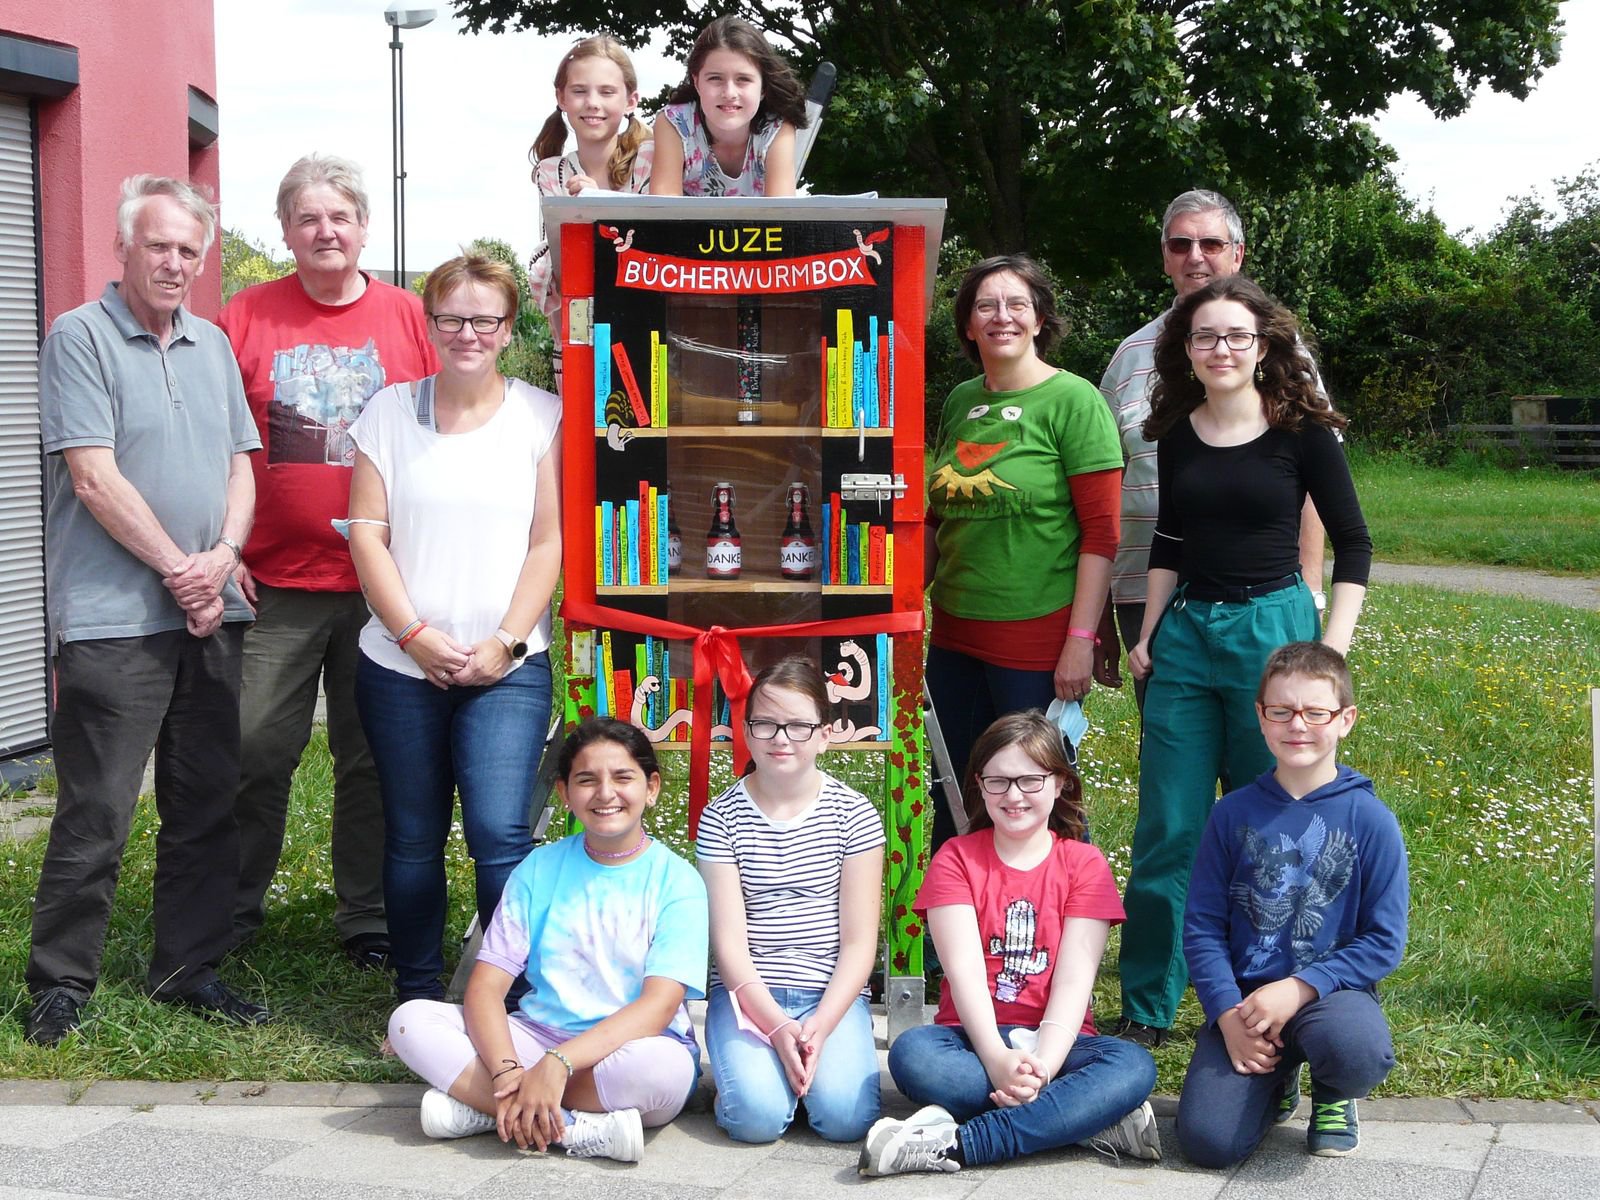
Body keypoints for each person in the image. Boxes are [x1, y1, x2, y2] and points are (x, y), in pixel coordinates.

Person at [25, 175, 267, 1046]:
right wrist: (182, 571)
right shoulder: (79, 336)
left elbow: (242, 465)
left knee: (205, 802)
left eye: (189, 251)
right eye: (158, 245)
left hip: (210, 614)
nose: (174, 262)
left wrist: (224, 557)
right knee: (97, 810)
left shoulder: (212, 344)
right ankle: (59, 984)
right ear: (123, 247)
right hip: (113, 620)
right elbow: (93, 476)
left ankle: (187, 968)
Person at [1113, 274, 1373, 1047]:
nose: (1220, 349)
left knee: (1275, 822)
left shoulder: (1302, 433)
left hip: (1275, 632)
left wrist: (1329, 655)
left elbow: (1355, 544)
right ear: (1186, 349)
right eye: (1205, 336)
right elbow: (1169, 540)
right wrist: (1148, 633)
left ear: (1263, 347)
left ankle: (1270, 995)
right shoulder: (1177, 432)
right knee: (1170, 824)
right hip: (1188, 635)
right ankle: (1148, 1005)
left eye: (1236, 336)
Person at [220, 153, 438, 969]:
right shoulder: (244, 317)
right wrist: (224, 543)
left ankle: (367, 918)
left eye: (339, 216)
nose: (325, 231)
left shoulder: (410, 317)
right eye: (307, 218)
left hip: (384, 585)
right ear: (285, 230)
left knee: (372, 758)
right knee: (253, 750)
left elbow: (439, 433)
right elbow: (213, 440)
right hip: (273, 582)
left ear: (364, 227)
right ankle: (230, 910)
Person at [347, 254, 562, 1004]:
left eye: (485, 320)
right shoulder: (387, 413)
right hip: (400, 664)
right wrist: (413, 634)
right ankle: (416, 993)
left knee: (500, 835)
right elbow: (367, 533)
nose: (468, 333)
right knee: (413, 835)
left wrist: (506, 641)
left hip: (509, 667)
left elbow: (548, 542)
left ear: (509, 327)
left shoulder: (541, 415)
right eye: (452, 318)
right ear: (430, 322)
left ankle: (512, 1001)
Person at [387, 718, 707, 1161]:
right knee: (411, 1020)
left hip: (628, 1049)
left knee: (662, 1071)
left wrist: (559, 1063)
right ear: (564, 793)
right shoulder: (538, 869)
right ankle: (570, 1129)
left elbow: (658, 1008)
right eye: (587, 780)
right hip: (536, 1039)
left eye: (623, 777)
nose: (606, 793)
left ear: (651, 788)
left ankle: (490, 1110)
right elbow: (486, 988)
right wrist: (506, 1071)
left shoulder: (679, 881)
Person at [859, 711, 1159, 1177]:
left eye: (1030, 780)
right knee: (913, 1054)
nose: (1014, 795)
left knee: (1133, 1065)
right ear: (979, 785)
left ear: (1059, 783)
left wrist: (1044, 1066)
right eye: (997, 782)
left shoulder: (1084, 863)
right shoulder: (956, 858)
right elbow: (964, 975)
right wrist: (998, 1061)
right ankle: (1086, 1118)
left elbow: (1074, 983)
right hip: (971, 1038)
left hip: (1061, 1041)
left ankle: (960, 1143)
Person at [1096, 189, 1329, 709]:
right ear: (1165, 256)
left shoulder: (1279, 351)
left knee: (1267, 740)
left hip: (1261, 595)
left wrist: (1310, 592)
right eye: (1180, 244)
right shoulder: (1128, 357)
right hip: (1146, 593)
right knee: (1170, 738)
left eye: (1211, 243)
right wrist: (1097, 618)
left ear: (1237, 254)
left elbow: (1316, 484)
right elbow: (1103, 485)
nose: (1195, 256)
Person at [1178, 642, 1407, 1165]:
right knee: (1209, 1142)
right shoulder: (1231, 814)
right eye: (1281, 711)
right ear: (1261, 717)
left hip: (1332, 996)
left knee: (1355, 1052)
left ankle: (1334, 1090)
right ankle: (1277, 1078)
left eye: (1315, 712)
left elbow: (1383, 941)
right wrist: (1226, 1015)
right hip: (1248, 1006)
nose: (1297, 725)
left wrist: (1300, 987)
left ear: (1345, 720)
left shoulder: (1371, 819)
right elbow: (1203, 927)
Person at [924, 254, 1123, 850]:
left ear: (1039, 319)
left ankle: (1065, 905)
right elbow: (938, 518)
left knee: (1037, 793)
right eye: (985, 305)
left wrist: (1080, 641)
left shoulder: (1075, 401)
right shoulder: (960, 402)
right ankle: (954, 906)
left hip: (1036, 638)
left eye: (1017, 304)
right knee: (953, 789)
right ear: (967, 325)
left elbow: (1102, 534)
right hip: (953, 635)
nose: (1001, 316)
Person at [696, 658, 885, 1144]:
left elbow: (859, 943)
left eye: (799, 726)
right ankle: (755, 1085)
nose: (781, 739)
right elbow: (729, 947)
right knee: (754, 1120)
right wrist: (778, 1026)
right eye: (765, 724)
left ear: (824, 735)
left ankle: (801, 1077)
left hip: (830, 994)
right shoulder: (721, 818)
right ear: (746, 731)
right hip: (749, 996)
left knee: (846, 1119)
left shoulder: (854, 814)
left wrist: (820, 1024)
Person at [527, 35, 655, 393]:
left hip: (643, 334)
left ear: (631, 101)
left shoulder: (649, 159)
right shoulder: (551, 172)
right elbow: (560, 263)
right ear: (562, 98)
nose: (593, 103)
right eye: (580, 91)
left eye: (607, 92)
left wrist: (596, 201)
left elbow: (652, 243)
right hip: (577, 341)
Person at [649, 15, 807, 197]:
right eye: (715, 78)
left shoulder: (777, 128)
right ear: (697, 83)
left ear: (763, 87)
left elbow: (781, 212)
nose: (729, 93)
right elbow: (664, 209)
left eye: (743, 79)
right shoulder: (673, 123)